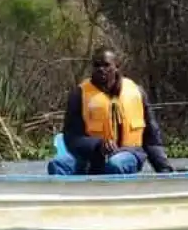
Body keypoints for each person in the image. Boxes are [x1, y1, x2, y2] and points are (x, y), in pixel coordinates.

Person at [47, 47, 174, 176]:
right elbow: (71, 137)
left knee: (115, 164)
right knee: (58, 165)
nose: (101, 69)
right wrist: (98, 145)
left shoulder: (137, 92)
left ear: (116, 67)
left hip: (129, 154)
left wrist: (164, 168)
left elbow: (151, 138)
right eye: (97, 65)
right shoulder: (78, 94)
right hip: (90, 155)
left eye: (106, 65)